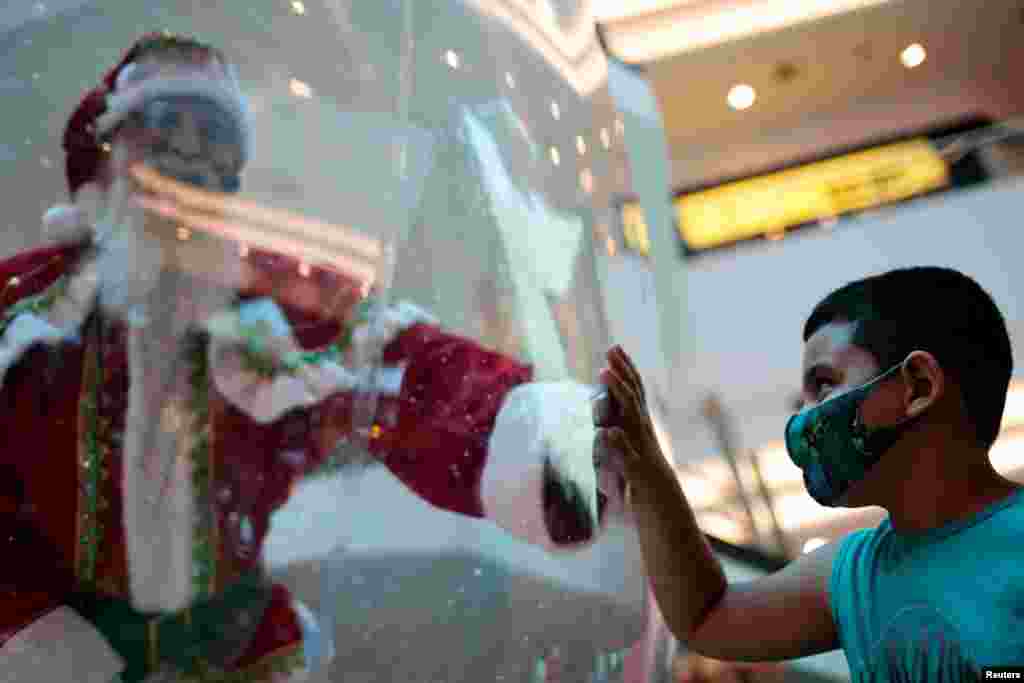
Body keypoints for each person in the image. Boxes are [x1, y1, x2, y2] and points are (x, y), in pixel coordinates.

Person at [0, 33, 619, 682]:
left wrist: (546, 441)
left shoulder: (269, 305)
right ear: (110, 157)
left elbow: (405, 369)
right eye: (162, 136)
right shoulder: (28, 313)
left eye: (210, 149)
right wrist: (27, 626)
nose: (184, 169)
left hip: (237, 649)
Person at [595, 266, 1024, 681]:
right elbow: (708, 615)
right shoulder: (858, 572)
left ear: (918, 387)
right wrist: (646, 467)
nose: (804, 416)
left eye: (823, 383)